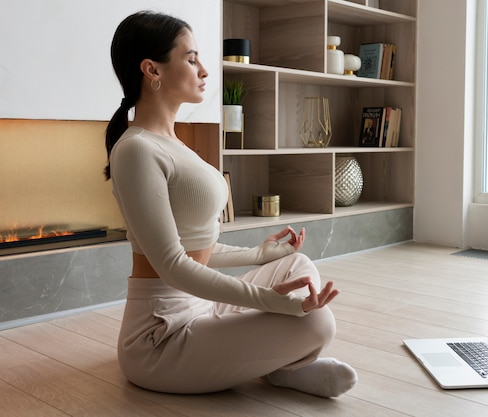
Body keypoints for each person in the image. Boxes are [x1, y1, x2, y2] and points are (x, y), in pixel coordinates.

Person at [103, 11, 357, 397]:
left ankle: (283, 368)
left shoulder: (171, 142)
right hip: (161, 335)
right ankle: (287, 364)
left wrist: (258, 255)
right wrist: (272, 303)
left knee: (297, 265)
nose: (204, 70)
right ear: (151, 70)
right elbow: (171, 265)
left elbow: (193, 249)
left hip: (200, 307)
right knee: (318, 323)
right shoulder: (136, 149)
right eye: (191, 59)